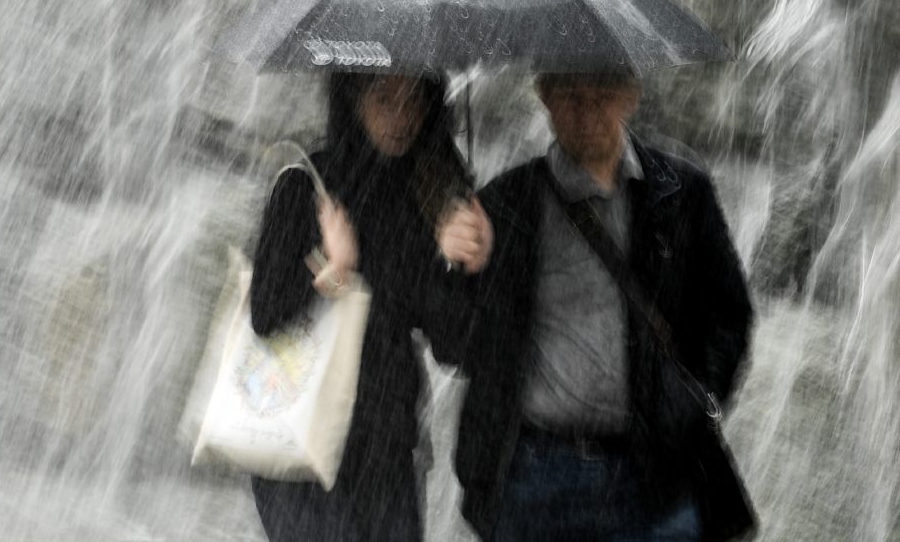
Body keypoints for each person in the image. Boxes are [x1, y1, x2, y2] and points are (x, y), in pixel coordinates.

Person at [455, 72, 756, 541]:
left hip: (653, 471)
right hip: (532, 472)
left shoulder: (680, 195)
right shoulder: (504, 204)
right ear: (545, 96)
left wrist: (700, 401)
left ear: (631, 97)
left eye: (602, 95)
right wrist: (462, 267)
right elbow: (460, 344)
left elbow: (729, 314)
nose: (587, 111)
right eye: (571, 95)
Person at [248, 72, 493, 542]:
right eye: (384, 99)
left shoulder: (431, 194)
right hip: (303, 447)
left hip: (388, 448)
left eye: (414, 100)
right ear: (352, 102)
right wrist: (332, 271)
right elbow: (265, 318)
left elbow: (455, 347)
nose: (402, 117)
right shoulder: (306, 186)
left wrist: (464, 264)